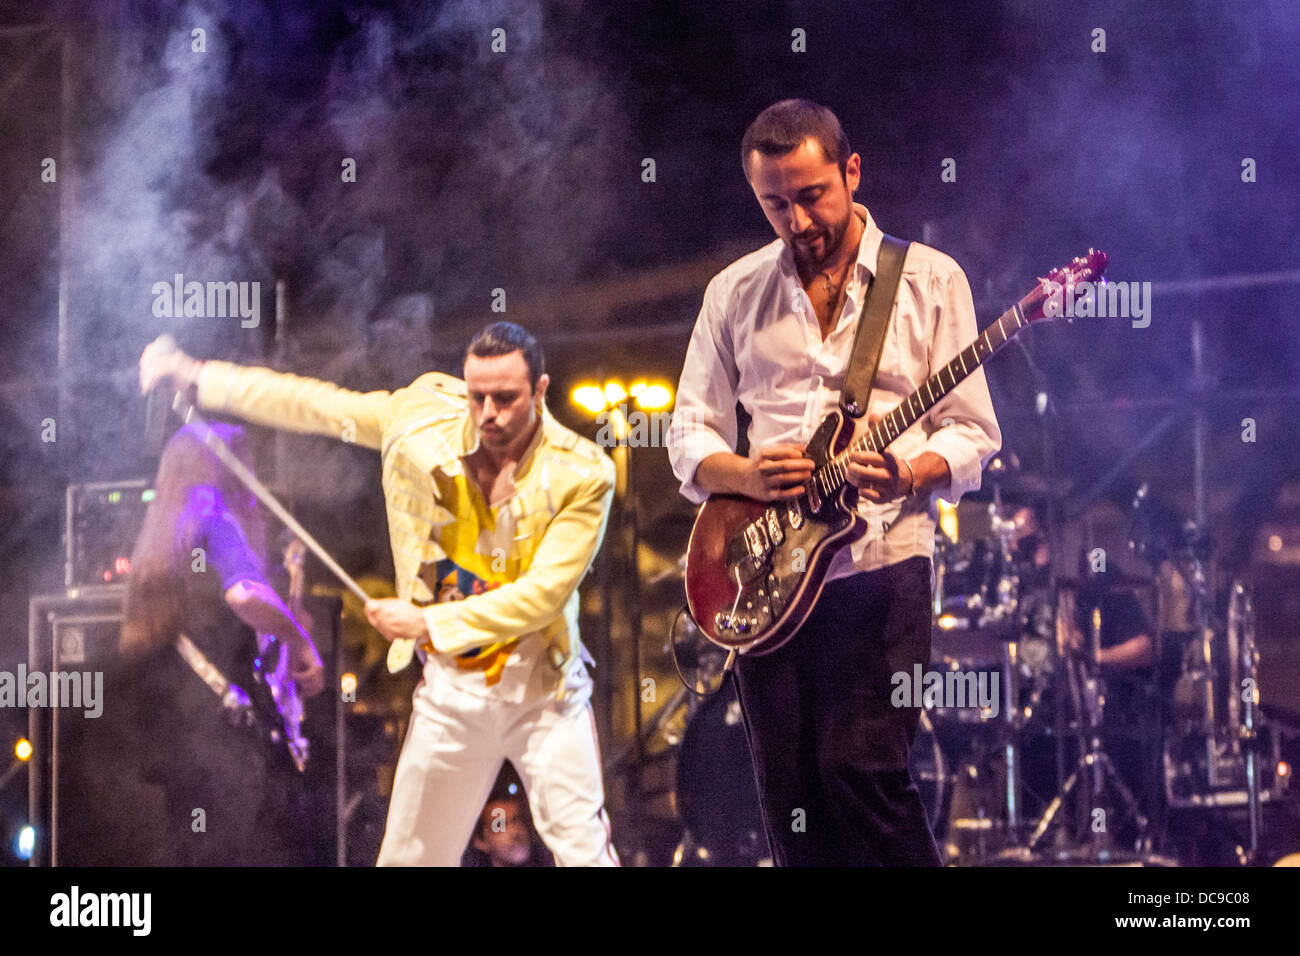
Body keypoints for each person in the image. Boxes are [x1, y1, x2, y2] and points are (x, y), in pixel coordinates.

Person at [139, 321, 620, 866]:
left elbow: (544, 595)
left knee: (584, 853)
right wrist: (198, 377)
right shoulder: (418, 421)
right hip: (453, 695)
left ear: (539, 391)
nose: (487, 413)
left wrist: (427, 624)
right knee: (406, 860)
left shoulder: (584, 473)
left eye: (505, 399)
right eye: (476, 396)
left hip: (545, 693)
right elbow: (312, 405)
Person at [667, 99, 1001, 866]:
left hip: (881, 564)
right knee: (789, 797)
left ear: (851, 172)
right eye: (774, 203)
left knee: (863, 773)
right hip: (767, 577)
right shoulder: (733, 293)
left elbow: (974, 430)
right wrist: (745, 470)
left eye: (812, 194)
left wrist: (910, 468)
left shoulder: (928, 280)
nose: (798, 219)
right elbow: (689, 433)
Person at [121, 422, 326, 865]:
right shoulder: (217, 521)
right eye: (246, 464)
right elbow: (243, 594)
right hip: (228, 746)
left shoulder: (165, 534)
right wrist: (301, 638)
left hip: (182, 743)